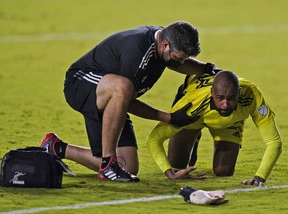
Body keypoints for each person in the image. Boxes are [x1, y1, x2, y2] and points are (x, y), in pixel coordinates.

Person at [40, 21, 216, 182]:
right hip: (81, 83)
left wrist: (208, 69)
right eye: (179, 58)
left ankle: (55, 148)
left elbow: (175, 62)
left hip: (112, 97)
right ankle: (109, 165)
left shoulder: (163, 42)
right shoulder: (137, 50)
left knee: (128, 167)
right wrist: (168, 118)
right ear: (165, 45)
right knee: (123, 87)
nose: (182, 63)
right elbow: (127, 100)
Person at [147, 70, 282, 186]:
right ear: (212, 93)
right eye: (220, 98)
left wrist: (259, 178)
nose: (225, 104)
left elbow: (274, 142)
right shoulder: (191, 105)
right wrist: (170, 174)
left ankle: (207, 131)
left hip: (229, 122)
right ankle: (194, 133)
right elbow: (154, 139)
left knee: (224, 171)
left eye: (231, 98)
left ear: (239, 93)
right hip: (193, 118)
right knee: (176, 166)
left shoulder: (251, 94)